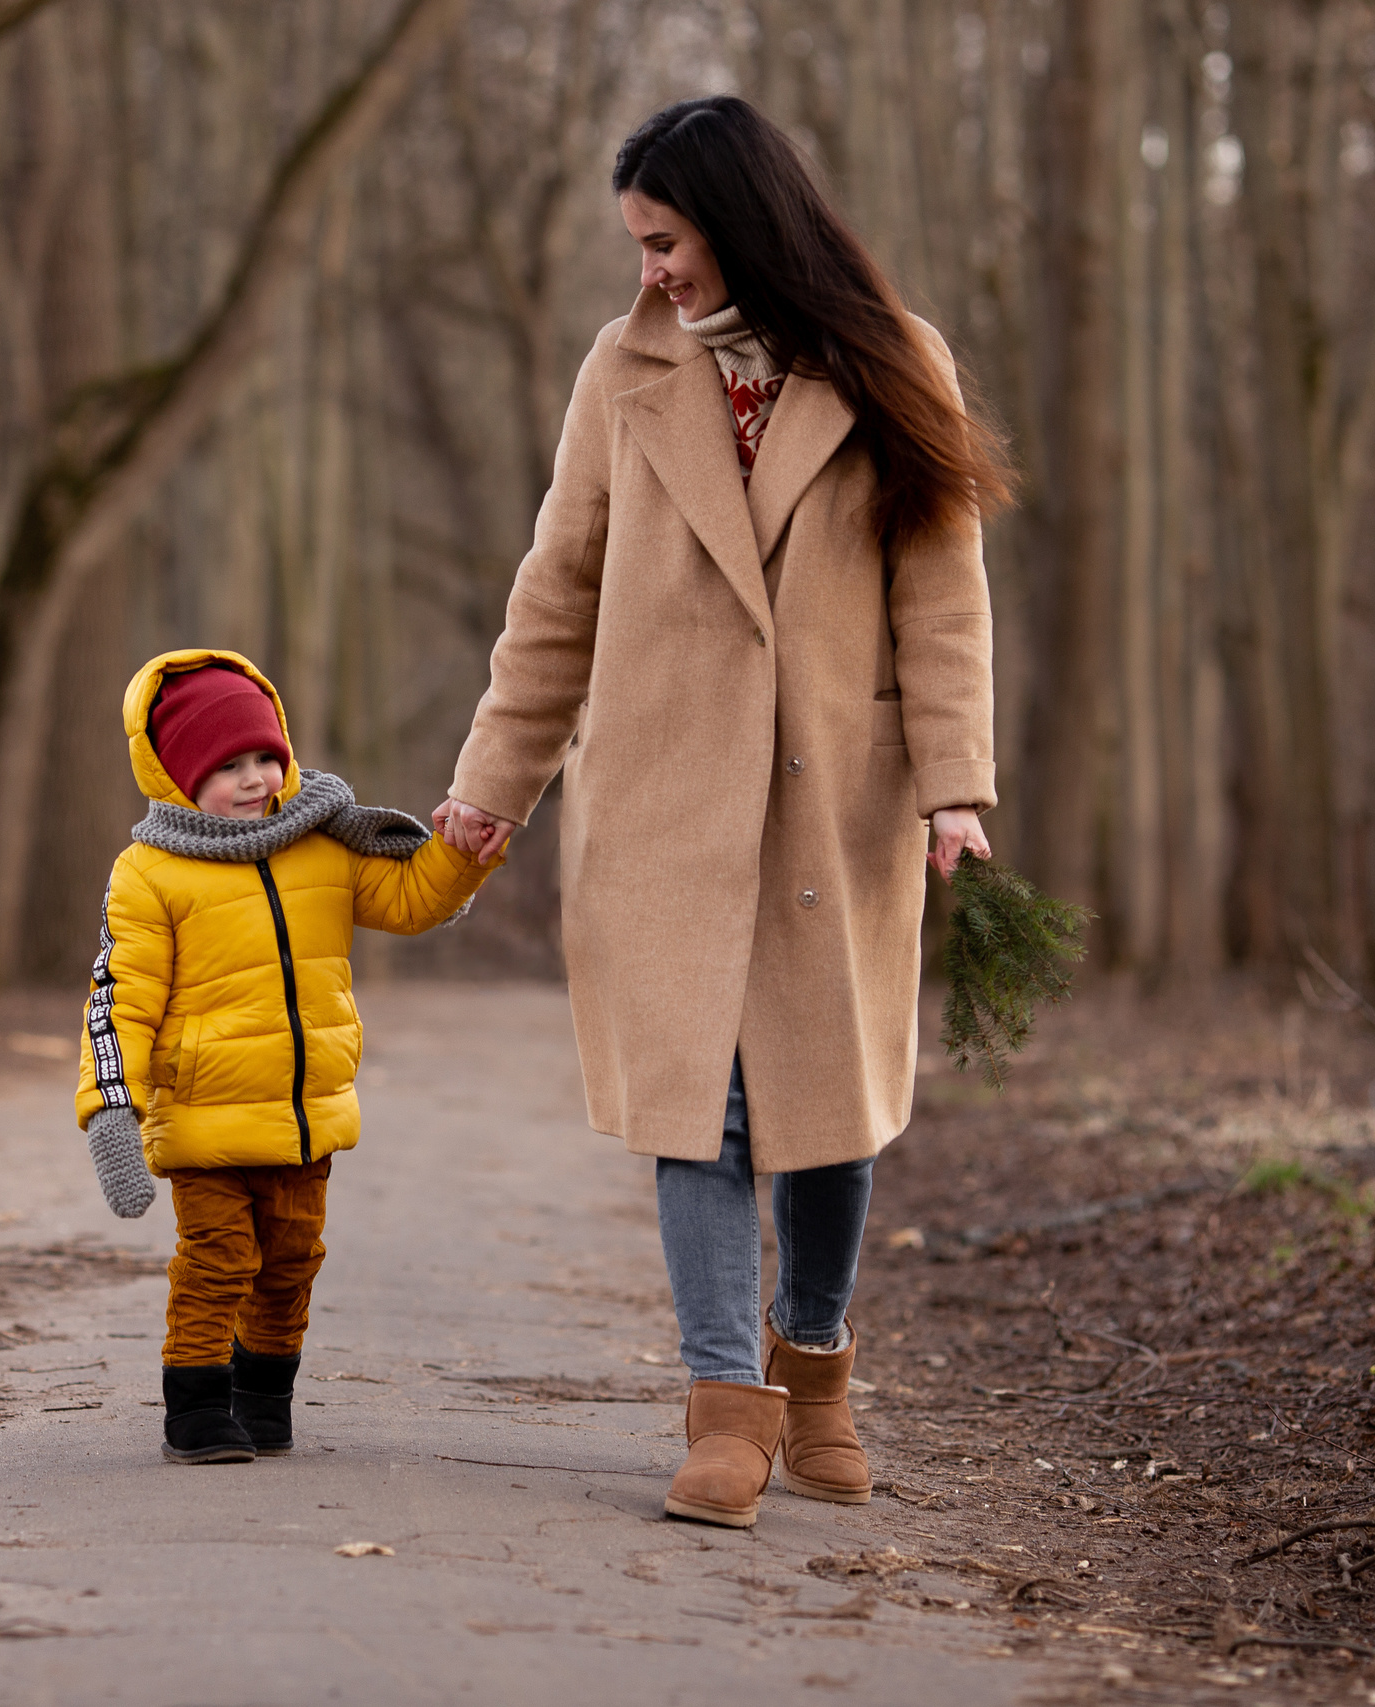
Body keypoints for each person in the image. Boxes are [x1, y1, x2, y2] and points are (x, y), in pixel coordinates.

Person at [432, 96, 1015, 1528]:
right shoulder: (620, 372)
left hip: (838, 798)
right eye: (638, 246)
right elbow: (556, 590)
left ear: (739, 221)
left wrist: (953, 786)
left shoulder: (895, 359)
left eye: (666, 239)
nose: (652, 272)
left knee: (830, 1109)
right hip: (663, 796)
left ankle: (814, 1370)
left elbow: (941, 594)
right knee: (702, 1105)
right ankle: (721, 1405)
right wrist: (490, 785)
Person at [78, 648, 495, 1464]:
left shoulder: (322, 846)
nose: (256, 777)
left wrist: (460, 854)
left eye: (266, 756)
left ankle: (264, 1396)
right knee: (220, 1260)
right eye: (227, 764)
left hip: (307, 1119)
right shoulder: (151, 875)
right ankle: (195, 1404)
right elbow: (118, 1001)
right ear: (175, 775)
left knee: (292, 1261)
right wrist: (110, 1110)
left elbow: (411, 900)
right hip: (206, 1120)